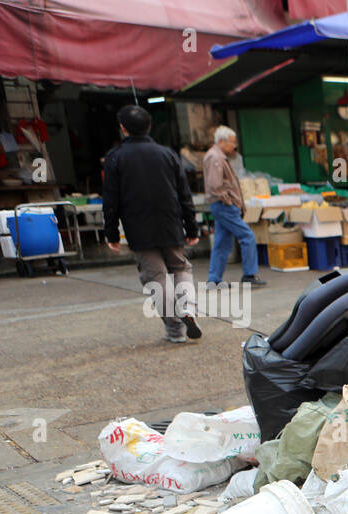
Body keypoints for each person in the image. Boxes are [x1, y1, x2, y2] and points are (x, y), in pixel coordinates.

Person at [101, 105, 202, 344]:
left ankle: (175, 330)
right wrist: (192, 227)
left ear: (123, 128)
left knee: (155, 276)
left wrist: (111, 233)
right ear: (149, 126)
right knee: (181, 268)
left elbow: (111, 200)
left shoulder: (115, 158)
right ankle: (188, 309)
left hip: (139, 228)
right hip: (170, 223)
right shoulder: (168, 154)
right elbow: (184, 193)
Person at [203, 126, 265, 290]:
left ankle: (214, 279)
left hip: (222, 205)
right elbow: (215, 186)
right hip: (224, 206)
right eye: (232, 142)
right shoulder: (215, 157)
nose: (234, 146)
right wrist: (229, 201)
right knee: (247, 236)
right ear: (221, 141)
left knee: (222, 243)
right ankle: (249, 275)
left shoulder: (217, 156)